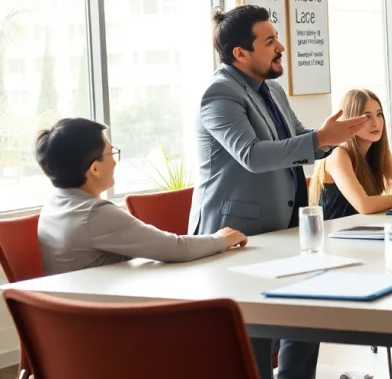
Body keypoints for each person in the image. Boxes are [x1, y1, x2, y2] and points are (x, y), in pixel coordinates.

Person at [190, 5, 368, 379]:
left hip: (285, 230)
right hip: (238, 236)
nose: (280, 46)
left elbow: (297, 138)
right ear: (240, 53)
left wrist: (329, 138)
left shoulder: (271, 88)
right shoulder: (219, 94)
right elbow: (251, 155)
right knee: (253, 345)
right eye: (269, 40)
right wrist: (318, 139)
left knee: (304, 319)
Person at [35, 118, 246, 277]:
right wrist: (221, 239)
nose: (115, 162)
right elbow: (175, 248)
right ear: (95, 168)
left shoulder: (54, 205)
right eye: (111, 153)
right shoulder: (93, 215)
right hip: (110, 324)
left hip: (77, 320)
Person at [309, 89, 392, 217]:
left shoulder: (379, 154)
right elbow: (364, 205)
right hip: (332, 234)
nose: (376, 123)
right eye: (367, 117)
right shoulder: (337, 154)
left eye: (379, 114)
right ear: (350, 121)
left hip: (364, 230)